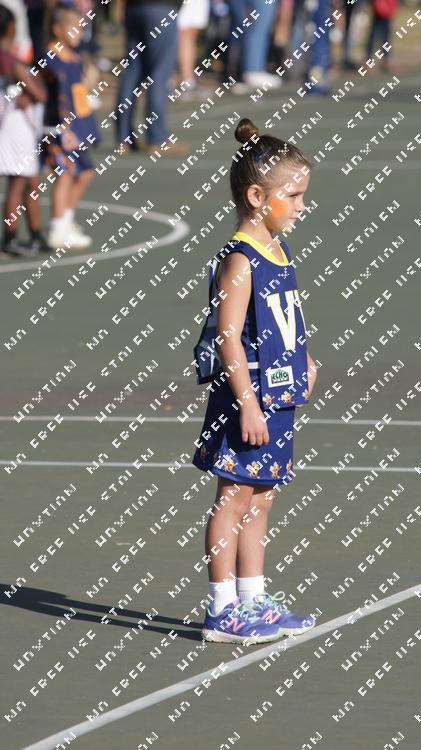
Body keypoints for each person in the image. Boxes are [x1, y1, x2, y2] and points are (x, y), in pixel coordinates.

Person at [191, 117, 319, 644]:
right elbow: (228, 339)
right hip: (248, 397)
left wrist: (305, 361)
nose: (302, 206)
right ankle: (222, 609)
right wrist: (246, 404)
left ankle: (253, 599)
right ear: (257, 197)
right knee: (234, 497)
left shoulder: (277, 251)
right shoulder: (241, 261)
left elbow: (281, 319)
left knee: (261, 497)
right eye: (294, 195)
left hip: (277, 396)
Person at [42, 2, 99, 249]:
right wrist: (63, 129)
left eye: (81, 28)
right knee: (64, 174)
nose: (79, 33)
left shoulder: (75, 58)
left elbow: (77, 96)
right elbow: (57, 99)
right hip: (58, 129)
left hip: (77, 127)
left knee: (85, 173)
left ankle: (66, 220)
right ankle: (57, 228)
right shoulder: (51, 59)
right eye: (74, 28)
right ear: (58, 29)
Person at [0, 3, 48, 257]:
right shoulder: (11, 61)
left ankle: (35, 234)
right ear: (10, 27)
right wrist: (32, 88)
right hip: (16, 127)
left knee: (30, 181)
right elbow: (39, 93)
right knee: (17, 184)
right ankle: (9, 237)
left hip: (14, 126)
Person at [115, 0, 187, 153]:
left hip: (133, 8)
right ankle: (157, 139)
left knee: (132, 71)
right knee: (160, 74)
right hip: (161, 8)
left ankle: (123, 138)